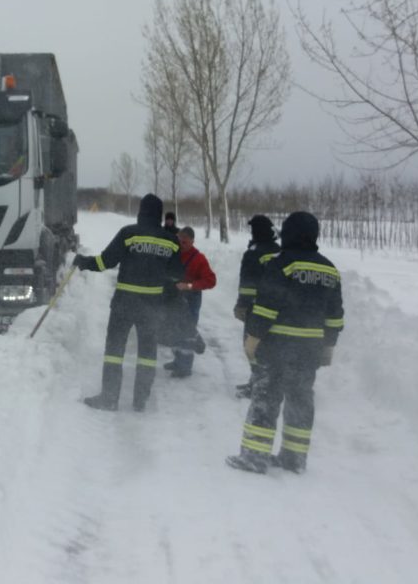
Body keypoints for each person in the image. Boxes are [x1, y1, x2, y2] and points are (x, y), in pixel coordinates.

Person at [226, 211, 344, 475]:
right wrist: (328, 346)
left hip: (278, 346)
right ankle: (294, 458)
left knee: (266, 399)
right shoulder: (329, 269)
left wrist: (253, 338)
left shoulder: (281, 264)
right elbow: (334, 315)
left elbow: (267, 305)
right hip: (310, 350)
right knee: (300, 400)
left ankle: (255, 457)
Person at [72, 193, 184, 412]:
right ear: (160, 214)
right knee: (147, 353)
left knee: (115, 349)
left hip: (125, 303)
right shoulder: (170, 240)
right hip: (152, 305)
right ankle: (140, 399)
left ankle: (110, 398)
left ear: (141, 211)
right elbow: (177, 273)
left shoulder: (128, 233)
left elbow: (105, 262)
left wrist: (83, 261)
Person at [232, 215, 281, 398]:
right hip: (279, 309)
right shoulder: (279, 250)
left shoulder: (253, 253)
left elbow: (248, 284)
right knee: (270, 349)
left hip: (257, 309)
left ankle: (259, 385)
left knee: (251, 347)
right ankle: (261, 382)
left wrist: (242, 306)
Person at [163, 226, 217, 378]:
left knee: (187, 331)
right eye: (179, 241)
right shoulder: (172, 253)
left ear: (192, 241)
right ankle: (178, 360)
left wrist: (190, 286)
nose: (181, 245)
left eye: (185, 242)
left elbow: (211, 280)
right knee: (174, 328)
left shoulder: (199, 259)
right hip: (174, 297)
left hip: (191, 298)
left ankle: (185, 367)